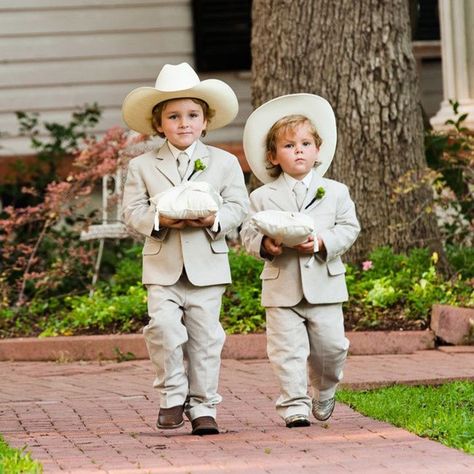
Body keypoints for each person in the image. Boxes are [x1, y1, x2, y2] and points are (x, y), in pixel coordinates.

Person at [121, 63, 249, 435]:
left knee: (206, 336)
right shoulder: (142, 165)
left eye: (192, 115)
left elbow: (238, 207)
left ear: (205, 121)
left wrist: (213, 221)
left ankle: (204, 405)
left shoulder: (223, 162)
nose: (183, 123)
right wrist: (161, 221)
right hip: (163, 265)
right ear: (159, 124)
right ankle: (172, 396)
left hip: (207, 265)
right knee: (162, 328)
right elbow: (133, 212)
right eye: (173, 116)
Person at [240, 94, 360, 428]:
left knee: (331, 348)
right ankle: (294, 404)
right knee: (285, 349)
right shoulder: (262, 197)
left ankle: (325, 389)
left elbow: (350, 228)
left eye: (306, 144)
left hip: (324, 283)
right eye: (289, 146)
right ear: (273, 156)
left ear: (318, 150)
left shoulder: (335, 192)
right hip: (282, 286)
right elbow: (247, 234)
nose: (299, 151)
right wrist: (267, 245)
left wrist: (321, 242)